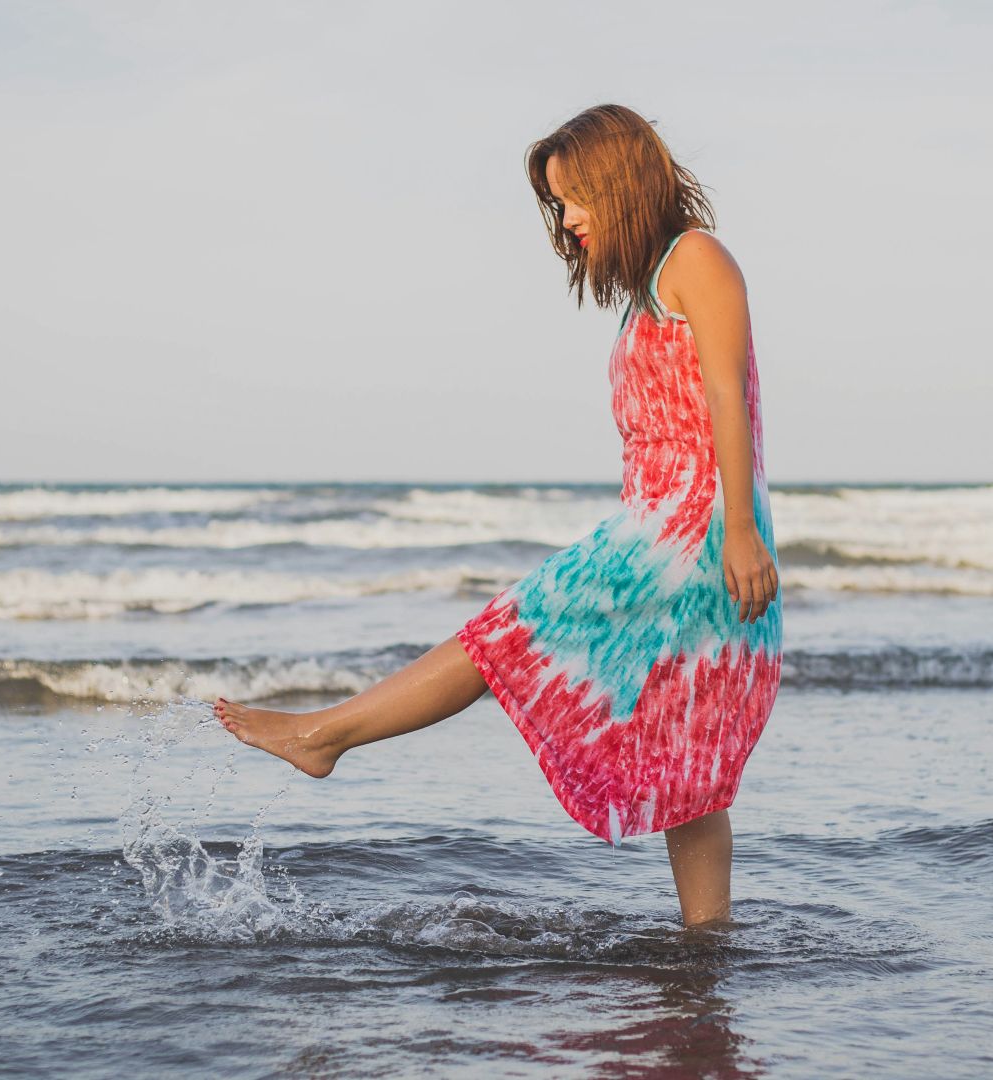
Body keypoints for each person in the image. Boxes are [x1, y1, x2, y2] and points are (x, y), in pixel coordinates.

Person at [214, 103, 784, 928]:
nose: (569, 218)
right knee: (683, 758)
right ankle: (709, 944)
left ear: (621, 181)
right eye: (558, 204)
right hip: (665, 524)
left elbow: (729, 395)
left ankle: (324, 737)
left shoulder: (697, 259)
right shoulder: (650, 288)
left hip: (685, 532)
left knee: (507, 633)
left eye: (577, 196)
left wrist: (736, 531)